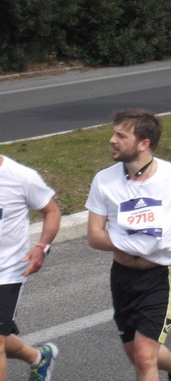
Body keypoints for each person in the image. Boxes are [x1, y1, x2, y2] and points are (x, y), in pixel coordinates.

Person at [86, 109, 171, 381]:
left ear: (144, 143)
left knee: (145, 356)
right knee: (137, 354)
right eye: (114, 133)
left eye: (121, 135)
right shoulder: (104, 180)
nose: (112, 140)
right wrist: (139, 242)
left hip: (161, 275)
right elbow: (94, 236)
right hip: (122, 277)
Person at [0, 155, 61, 381]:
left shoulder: (21, 177)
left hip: (7, 272)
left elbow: (51, 211)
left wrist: (41, 247)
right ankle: (39, 358)